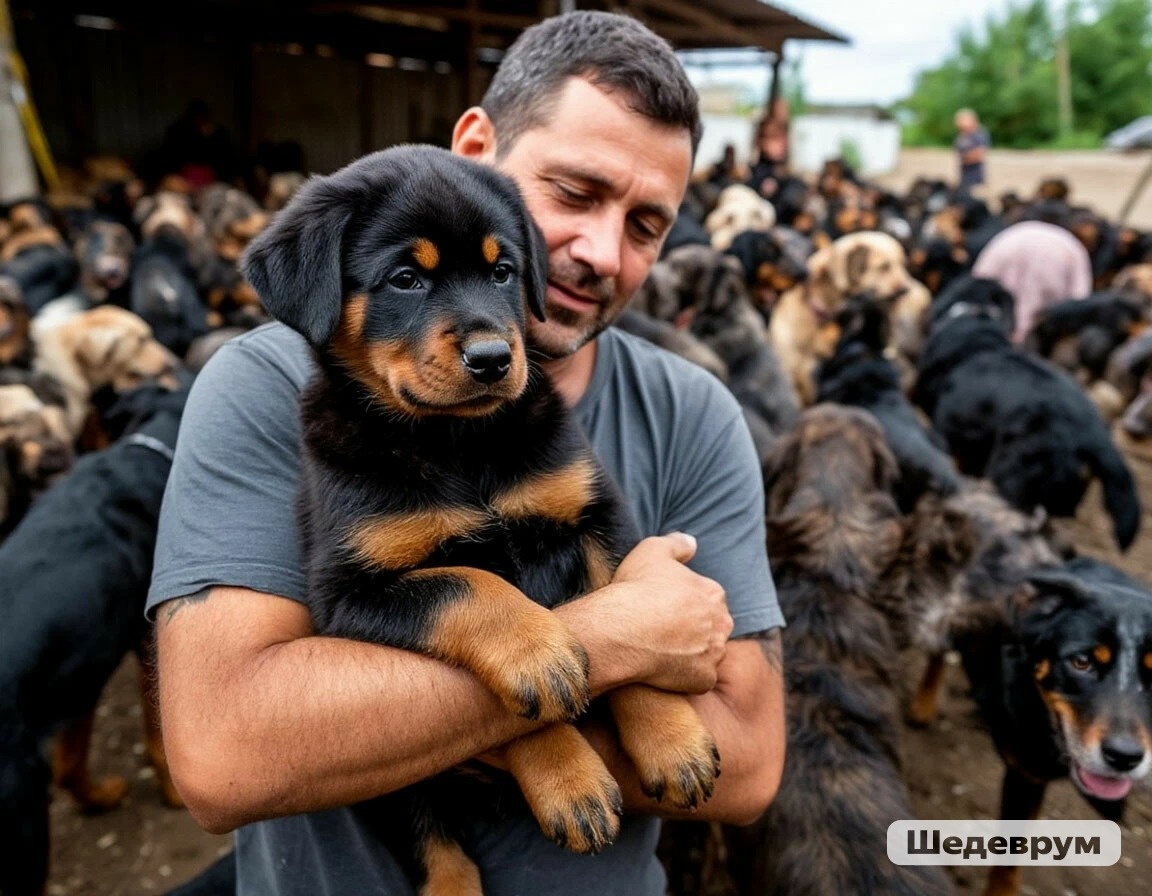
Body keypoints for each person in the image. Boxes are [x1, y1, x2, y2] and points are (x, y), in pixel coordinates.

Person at [148, 11, 786, 896]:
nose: (601, 250)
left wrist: (579, 690)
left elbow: (747, 769)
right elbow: (226, 757)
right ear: (478, 146)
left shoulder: (692, 413)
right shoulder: (263, 391)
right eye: (573, 191)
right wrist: (608, 648)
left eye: (646, 224)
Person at [971, 219, 1093, 343]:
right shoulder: (1072, 249)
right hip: (1039, 336)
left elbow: (977, 283)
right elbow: (1079, 302)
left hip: (996, 332)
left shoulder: (1010, 237)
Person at [953, 108, 990, 194]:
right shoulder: (960, 137)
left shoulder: (980, 133)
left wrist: (966, 157)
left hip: (977, 179)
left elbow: (979, 155)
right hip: (964, 178)